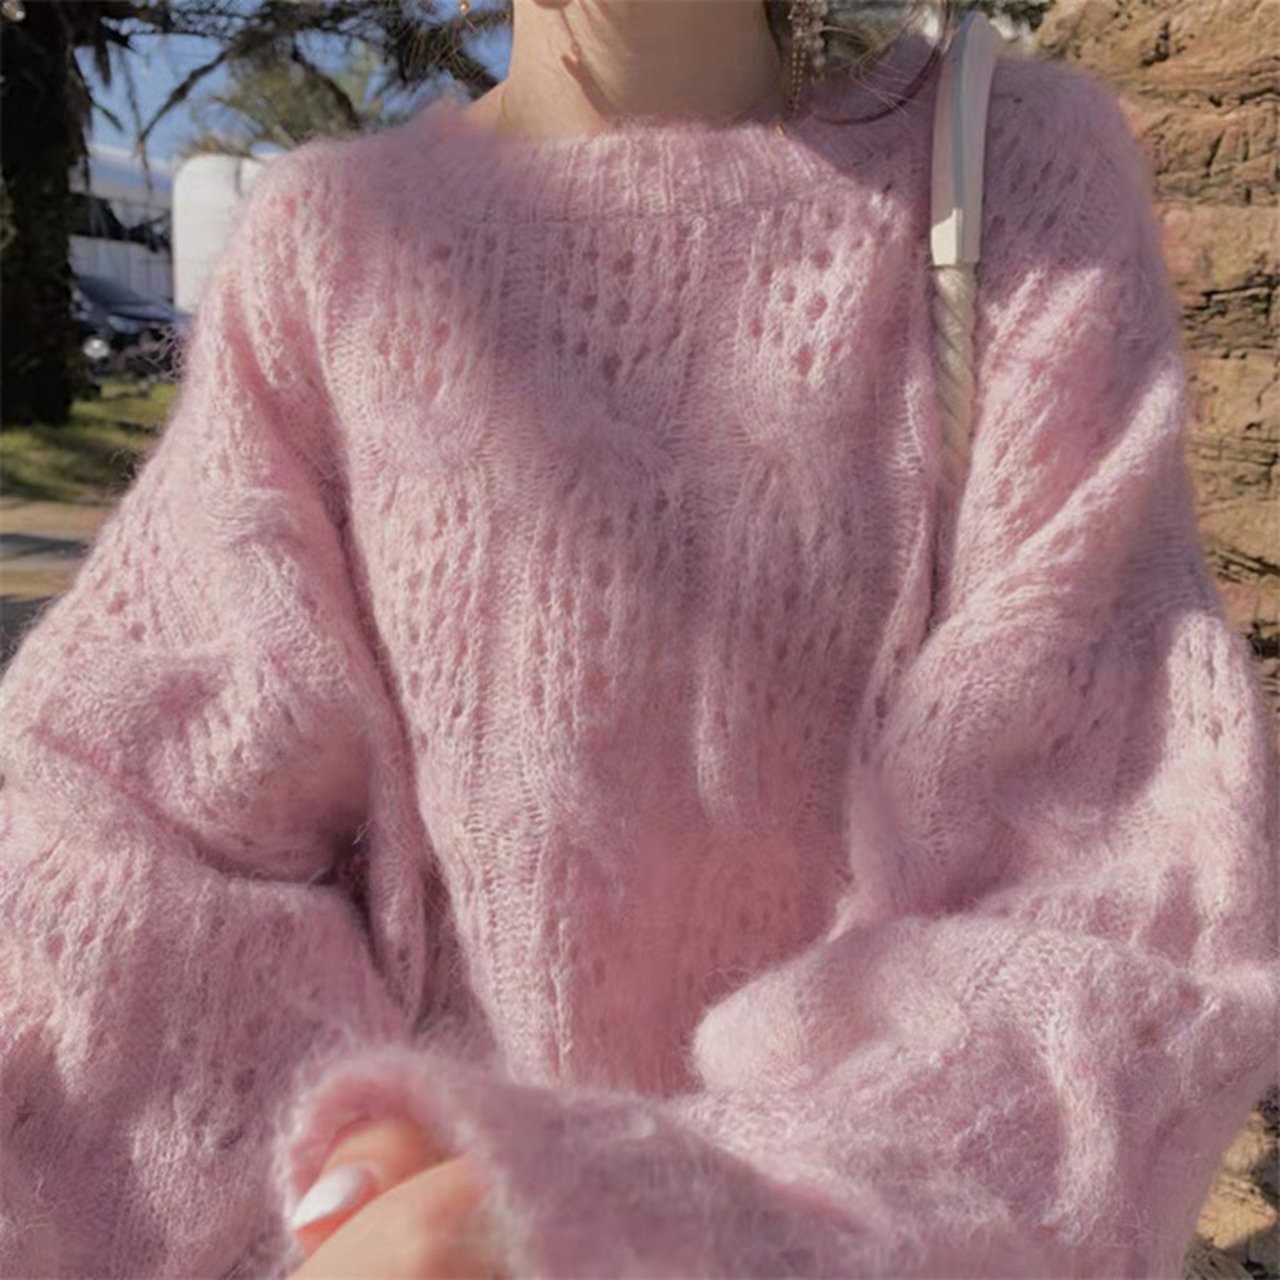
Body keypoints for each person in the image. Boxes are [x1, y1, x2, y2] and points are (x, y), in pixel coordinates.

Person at [1, 0, 1276, 1276]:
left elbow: (1109, 875)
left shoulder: (1013, 168)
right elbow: (124, 823)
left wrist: (691, 1220)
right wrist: (366, 1180)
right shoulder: (328, 244)